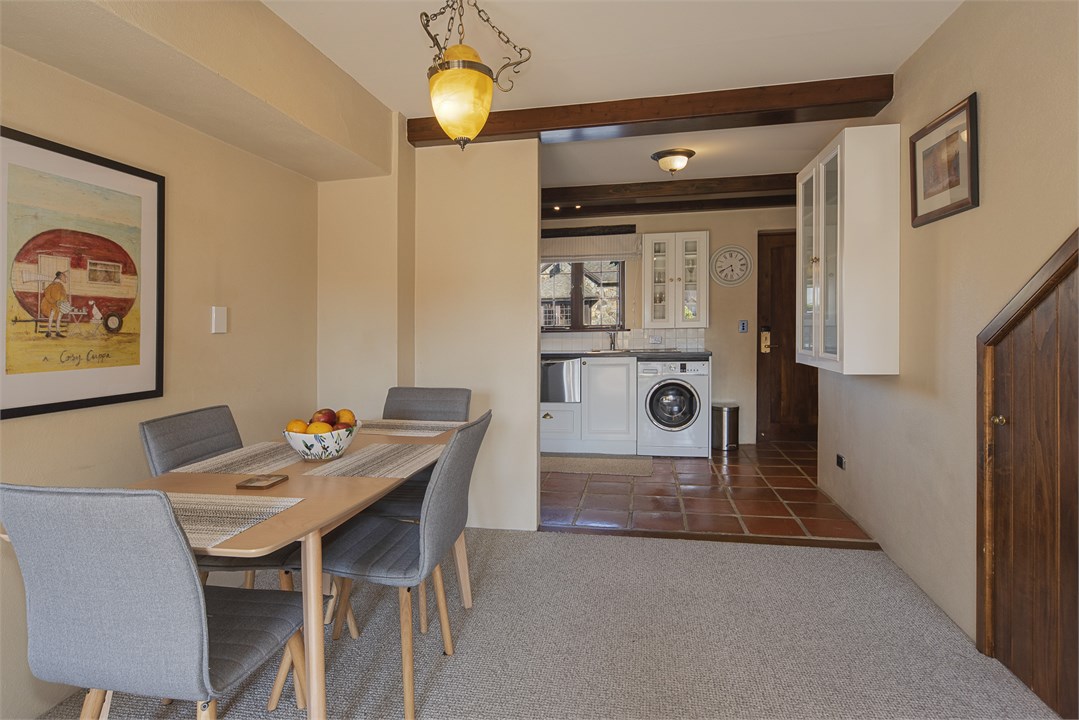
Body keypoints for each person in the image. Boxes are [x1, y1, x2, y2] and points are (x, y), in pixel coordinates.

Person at [40, 270, 69, 338]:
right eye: (62, 276)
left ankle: (56, 332)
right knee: (52, 317)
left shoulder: (60, 286)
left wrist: (63, 302)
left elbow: (64, 295)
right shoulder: (52, 285)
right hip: (54, 305)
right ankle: (49, 332)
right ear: (59, 277)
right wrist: (54, 302)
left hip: (60, 305)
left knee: (57, 318)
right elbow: (47, 295)